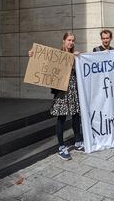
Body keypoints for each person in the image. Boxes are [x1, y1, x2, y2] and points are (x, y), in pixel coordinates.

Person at [29, 32, 84, 161]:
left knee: (76, 115)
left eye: (73, 40)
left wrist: (78, 59)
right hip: (62, 91)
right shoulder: (57, 55)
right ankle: (61, 147)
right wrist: (32, 55)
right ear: (64, 40)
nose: (71, 42)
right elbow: (42, 61)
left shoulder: (75, 55)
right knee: (62, 118)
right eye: (69, 40)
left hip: (73, 90)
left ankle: (77, 142)